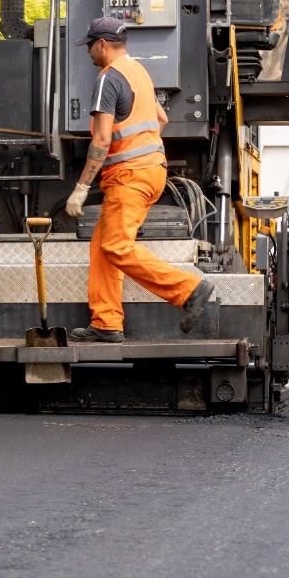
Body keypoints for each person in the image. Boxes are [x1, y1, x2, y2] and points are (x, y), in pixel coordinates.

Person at [64, 17, 214, 342]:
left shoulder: (108, 78)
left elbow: (101, 139)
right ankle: (106, 323)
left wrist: (81, 187)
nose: (88, 52)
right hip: (150, 171)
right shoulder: (139, 73)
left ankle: (189, 289)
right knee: (102, 248)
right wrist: (141, 149)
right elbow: (162, 118)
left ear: (102, 44)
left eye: (90, 46)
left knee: (116, 246)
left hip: (129, 176)